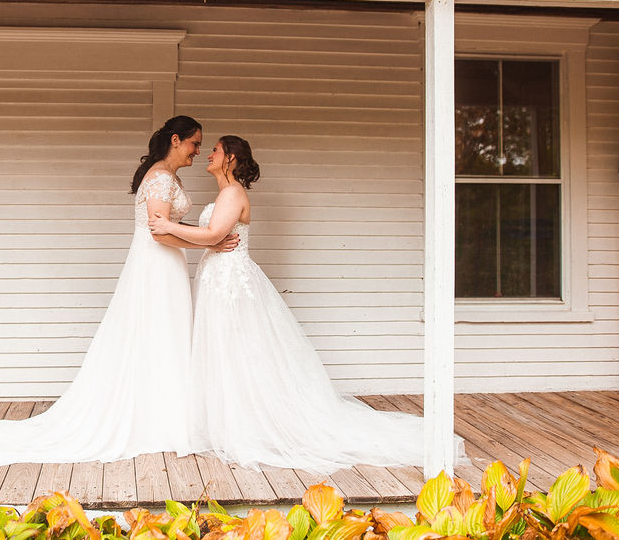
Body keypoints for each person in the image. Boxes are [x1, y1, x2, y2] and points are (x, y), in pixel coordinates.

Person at [149, 135, 467, 474]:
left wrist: (169, 225)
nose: (208, 155)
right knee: (223, 349)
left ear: (230, 158)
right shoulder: (223, 194)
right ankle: (226, 420)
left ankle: (249, 424)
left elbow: (214, 236)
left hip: (231, 284)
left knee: (239, 349)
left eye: (215, 150)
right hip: (218, 280)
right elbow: (213, 239)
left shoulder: (232, 193)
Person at [0, 116, 237, 466]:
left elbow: (168, 224)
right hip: (157, 263)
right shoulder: (159, 178)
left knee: (163, 334)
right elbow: (158, 233)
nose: (198, 151)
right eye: (194, 143)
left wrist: (204, 240)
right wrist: (210, 245)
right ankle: (156, 419)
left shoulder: (166, 177)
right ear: (175, 140)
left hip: (165, 262)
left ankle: (164, 411)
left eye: (201, 145)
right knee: (156, 331)